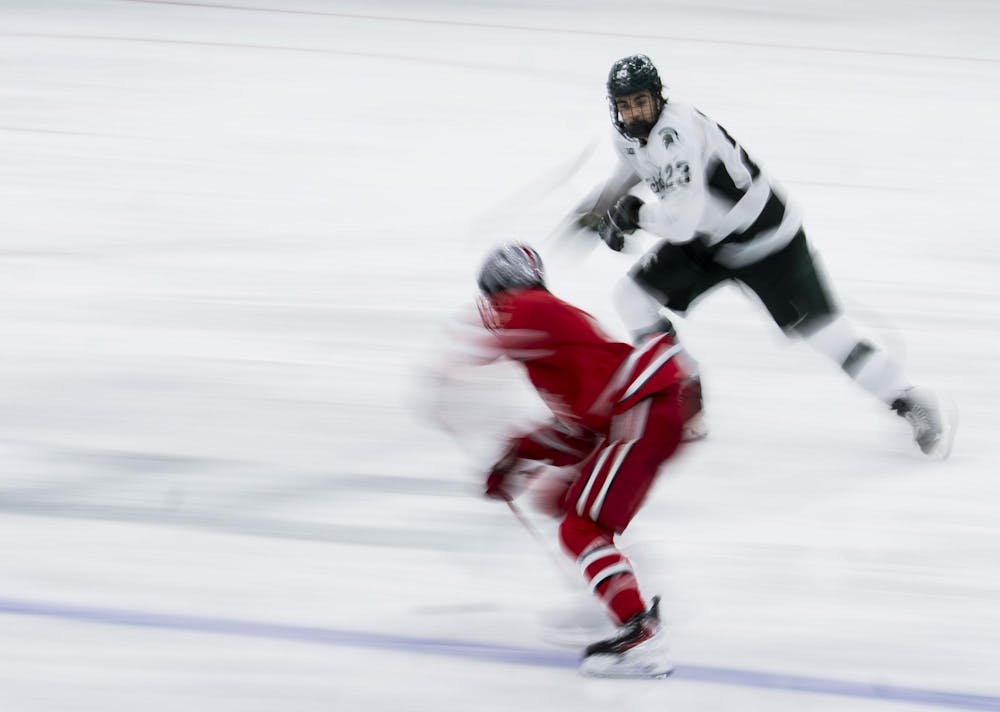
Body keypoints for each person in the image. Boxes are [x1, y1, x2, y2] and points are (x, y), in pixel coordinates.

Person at [572, 54, 955, 458]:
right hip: (711, 238)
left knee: (828, 336)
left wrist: (634, 215)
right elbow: (638, 165)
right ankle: (682, 397)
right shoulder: (632, 135)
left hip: (767, 243)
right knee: (631, 298)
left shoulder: (676, 134)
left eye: (640, 102)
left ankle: (911, 401)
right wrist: (602, 204)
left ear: (658, 98)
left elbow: (682, 223)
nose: (633, 113)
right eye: (625, 105)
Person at [473, 242, 700, 678]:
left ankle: (640, 635)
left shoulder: (530, 308)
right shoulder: (554, 337)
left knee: (582, 525)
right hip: (653, 405)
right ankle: (618, 603)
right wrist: (517, 459)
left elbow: (490, 342)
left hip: (644, 405)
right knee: (567, 503)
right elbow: (578, 431)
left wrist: (459, 369)